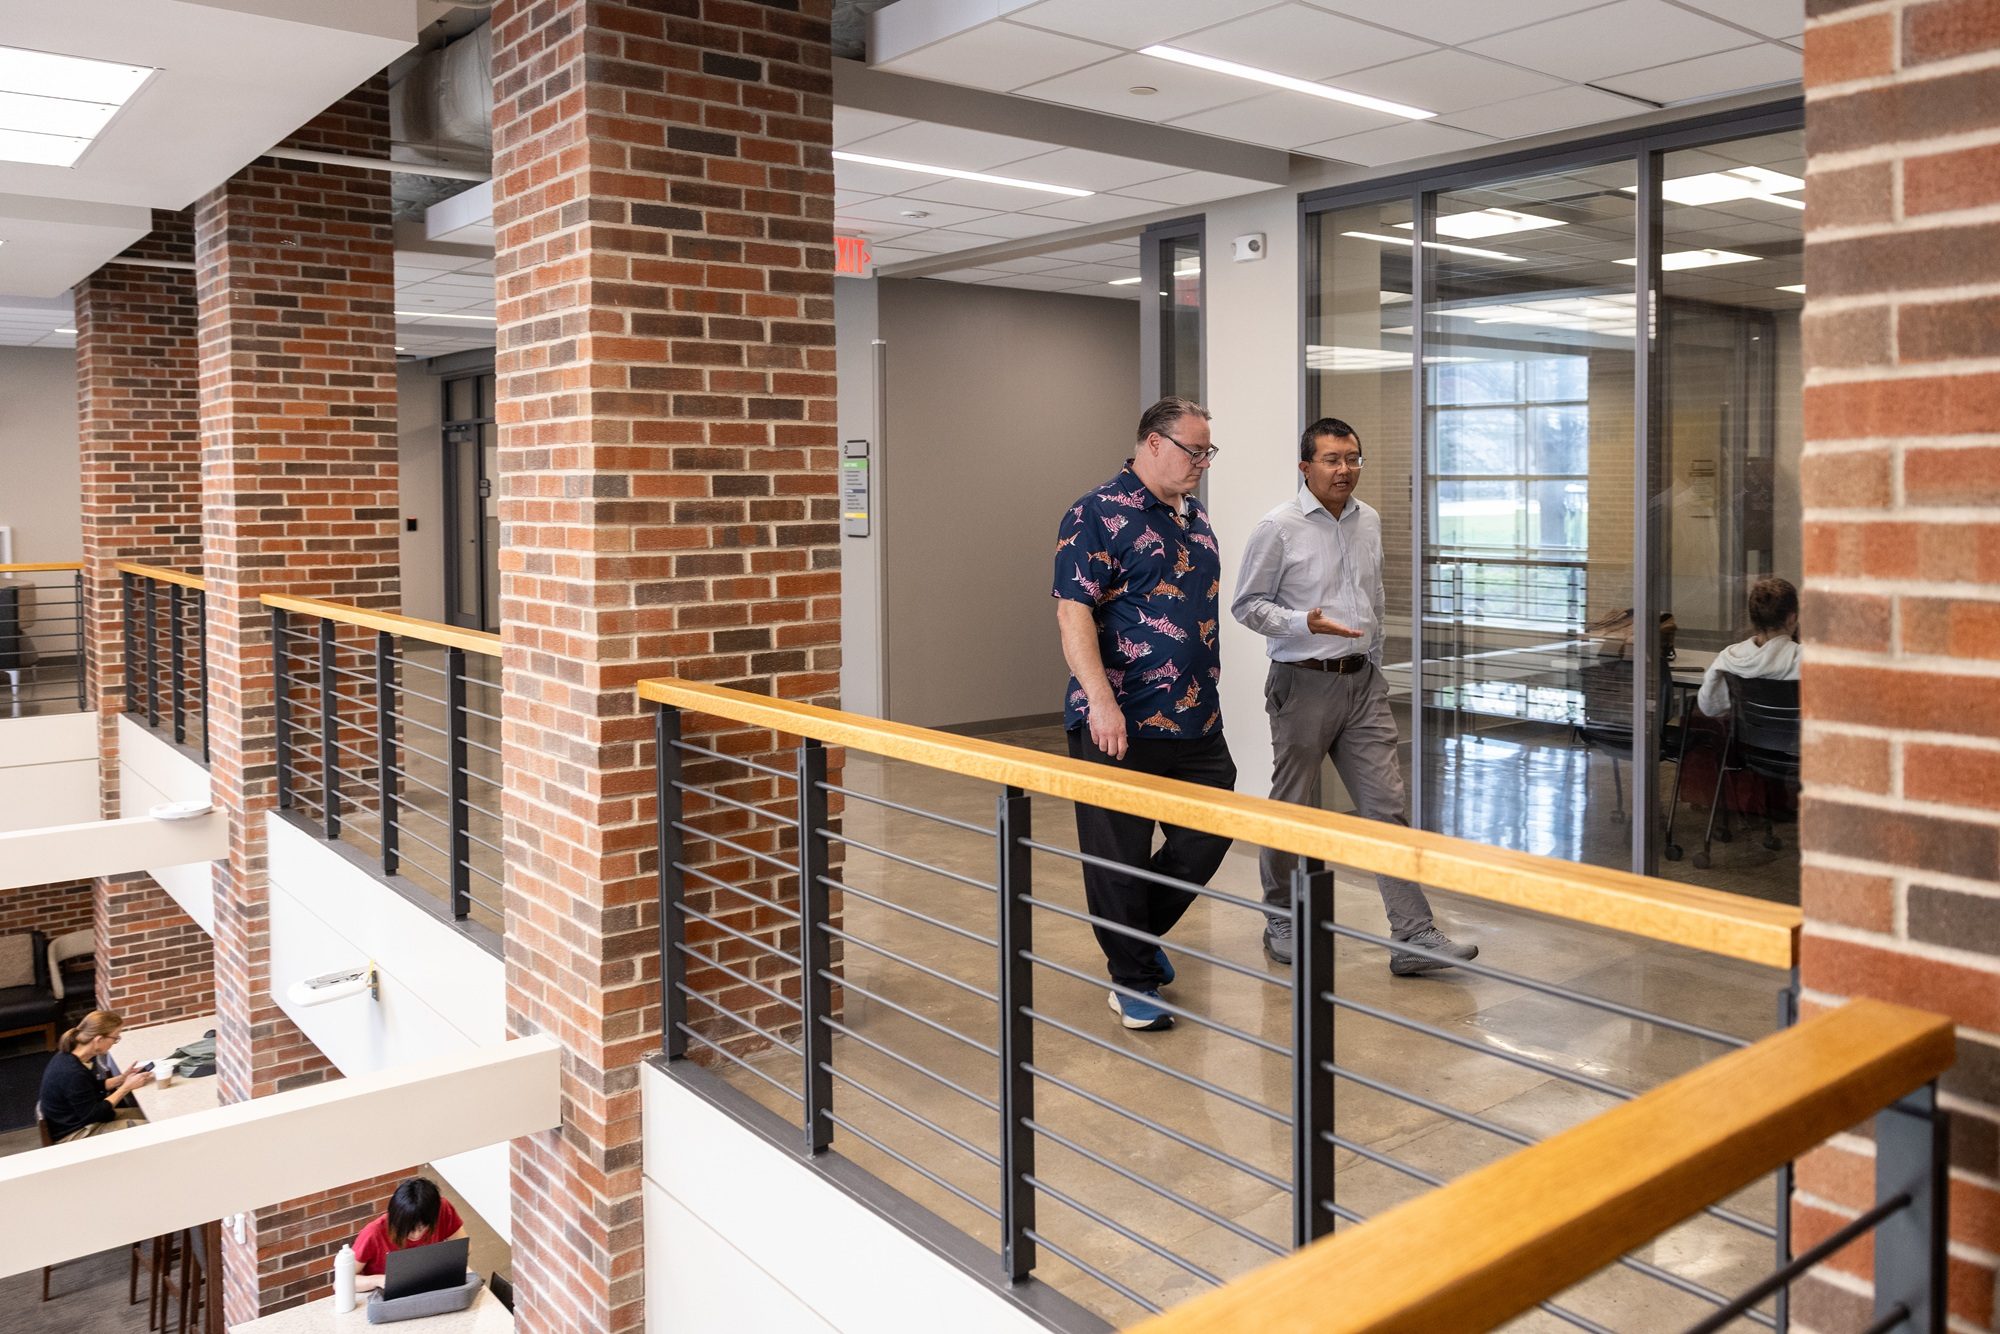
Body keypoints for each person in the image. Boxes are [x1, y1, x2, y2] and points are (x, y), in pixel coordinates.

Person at [1231, 418, 1477, 976]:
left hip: (1363, 683)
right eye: (1332, 459)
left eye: (1352, 459)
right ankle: (1281, 918)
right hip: (1303, 682)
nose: (1344, 469)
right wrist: (1303, 621)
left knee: (1386, 807)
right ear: (1305, 466)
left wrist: (1376, 665)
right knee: (1292, 805)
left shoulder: (1369, 521)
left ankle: (1412, 934)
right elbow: (1246, 605)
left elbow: (1375, 596)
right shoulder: (1278, 527)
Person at [1054, 396, 1237, 1032]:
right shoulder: (1095, 512)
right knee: (1119, 853)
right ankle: (1132, 980)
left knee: (1210, 830)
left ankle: (1132, 937)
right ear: (1154, 443)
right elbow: (1072, 611)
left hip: (1196, 718)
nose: (1203, 463)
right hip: (1121, 720)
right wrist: (1101, 702)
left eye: (1208, 452)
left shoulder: (1195, 516)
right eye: (1195, 450)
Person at [1696, 576, 1800, 720]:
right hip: (1799, 735)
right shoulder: (1810, 661)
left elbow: (1710, 708)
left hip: (1747, 734)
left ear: (1753, 618)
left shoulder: (1728, 659)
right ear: (1792, 618)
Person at [38, 1010, 152, 1142]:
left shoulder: (67, 1056)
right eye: (115, 1038)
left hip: (80, 1120)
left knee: (150, 1115)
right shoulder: (73, 1072)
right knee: (154, 1127)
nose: (114, 1043)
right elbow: (93, 1115)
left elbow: (89, 1087)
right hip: (77, 1132)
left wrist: (122, 1079)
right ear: (99, 1040)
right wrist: (125, 1088)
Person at [352, 1177, 466, 1291]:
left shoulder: (442, 1209)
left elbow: (464, 1249)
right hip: (387, 1294)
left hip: (429, 1286)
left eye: (422, 1228)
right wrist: (378, 1280)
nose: (416, 1235)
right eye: (409, 1229)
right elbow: (344, 1281)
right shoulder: (373, 1233)